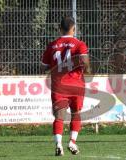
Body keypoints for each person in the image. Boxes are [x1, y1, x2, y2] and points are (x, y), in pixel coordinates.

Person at [41, 16, 90, 156]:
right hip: (76, 85)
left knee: (59, 117)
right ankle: (72, 142)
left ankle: (58, 144)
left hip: (59, 86)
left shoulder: (52, 45)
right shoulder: (80, 44)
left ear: (59, 28)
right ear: (74, 28)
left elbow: (43, 67)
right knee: (76, 113)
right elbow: (84, 62)